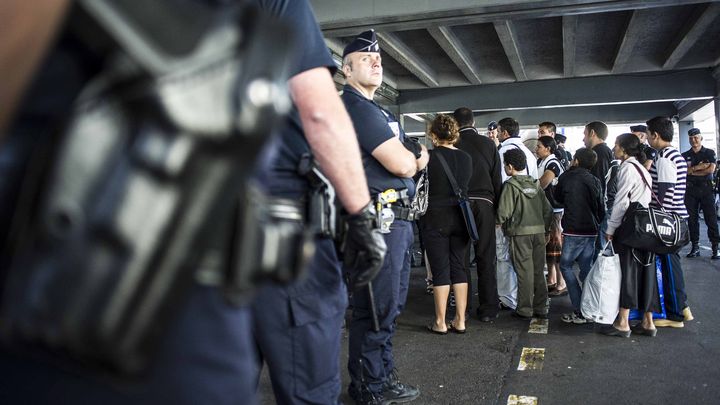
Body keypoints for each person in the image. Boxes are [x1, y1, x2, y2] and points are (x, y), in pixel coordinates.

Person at [0, 1, 385, 404]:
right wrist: (361, 215)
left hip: (73, 232)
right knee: (303, 389)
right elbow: (320, 111)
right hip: (235, 233)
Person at [341, 29, 428, 405]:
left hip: (394, 223)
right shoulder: (355, 107)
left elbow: (414, 156)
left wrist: (414, 157)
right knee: (375, 310)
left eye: (378, 58)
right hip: (378, 222)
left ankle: (380, 377)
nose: (376, 62)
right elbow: (404, 162)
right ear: (346, 70)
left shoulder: (378, 111)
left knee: (388, 307)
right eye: (365, 58)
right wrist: (414, 159)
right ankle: (368, 388)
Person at [603, 133, 659, 337]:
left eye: (616, 145)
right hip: (647, 227)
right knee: (646, 273)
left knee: (628, 272)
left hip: (631, 226)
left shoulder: (626, 168)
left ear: (624, 150)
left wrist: (611, 229)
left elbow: (621, 202)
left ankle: (623, 322)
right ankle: (648, 322)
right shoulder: (642, 168)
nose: (614, 147)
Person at [420, 114, 472, 334]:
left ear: (433, 135)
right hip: (461, 217)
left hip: (435, 217)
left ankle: (440, 322)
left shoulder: (429, 158)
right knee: (459, 267)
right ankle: (460, 320)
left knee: (440, 269)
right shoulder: (466, 158)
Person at [453, 107, 502, 322]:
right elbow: (497, 180)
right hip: (485, 204)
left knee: (460, 258)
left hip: (458, 205)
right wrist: (498, 210)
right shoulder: (489, 144)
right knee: (486, 257)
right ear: (473, 122)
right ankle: (488, 309)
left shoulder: (452, 145)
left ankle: (463, 308)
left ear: (455, 123)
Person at [646, 116, 693, 328]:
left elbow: (664, 195)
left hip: (668, 221)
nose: (647, 138)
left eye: (648, 134)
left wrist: (658, 221)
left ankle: (675, 316)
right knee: (672, 265)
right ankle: (683, 308)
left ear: (655, 135)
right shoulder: (674, 155)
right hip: (676, 218)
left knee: (670, 268)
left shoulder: (664, 158)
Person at [496, 149, 553, 320]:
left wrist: (499, 222)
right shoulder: (535, 184)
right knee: (538, 271)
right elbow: (548, 210)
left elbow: (503, 212)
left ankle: (525, 308)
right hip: (539, 232)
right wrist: (547, 229)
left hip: (519, 234)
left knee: (524, 272)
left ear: (510, 167)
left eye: (505, 165)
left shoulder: (510, 186)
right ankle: (542, 306)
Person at [554, 148, 605, 324]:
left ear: (575, 160)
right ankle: (590, 307)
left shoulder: (567, 177)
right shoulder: (594, 180)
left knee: (566, 266)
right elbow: (600, 207)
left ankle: (579, 309)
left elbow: (557, 198)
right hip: (591, 230)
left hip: (573, 230)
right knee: (586, 269)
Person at [535, 137, 567, 298]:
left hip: (555, 211)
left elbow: (543, 183)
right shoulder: (542, 161)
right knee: (550, 250)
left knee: (556, 248)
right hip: (547, 210)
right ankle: (552, 279)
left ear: (548, 148)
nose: (536, 149)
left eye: (539, 146)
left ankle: (561, 283)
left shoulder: (552, 163)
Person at [682, 127, 720, 259]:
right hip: (690, 190)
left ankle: (716, 248)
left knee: (711, 219)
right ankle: (695, 247)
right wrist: (700, 166)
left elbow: (710, 170)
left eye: (696, 137)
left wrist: (692, 170)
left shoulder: (709, 153)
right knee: (692, 220)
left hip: (706, 189)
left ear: (701, 138)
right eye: (691, 138)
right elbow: (684, 172)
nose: (694, 140)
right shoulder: (685, 155)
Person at [582, 121, 613, 254]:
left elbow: (599, 182)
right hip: (600, 207)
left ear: (592, 133)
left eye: (585, 134)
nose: (583, 138)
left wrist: (595, 209)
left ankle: (598, 275)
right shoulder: (601, 151)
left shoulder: (599, 153)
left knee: (599, 250)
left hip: (600, 208)